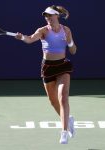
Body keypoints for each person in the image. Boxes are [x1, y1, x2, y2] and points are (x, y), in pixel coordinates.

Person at [15, 5, 77, 144]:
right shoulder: (43, 30)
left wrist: (70, 42)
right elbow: (30, 39)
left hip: (62, 66)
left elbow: (73, 51)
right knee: (53, 101)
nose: (47, 18)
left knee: (63, 98)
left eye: (50, 15)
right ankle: (69, 119)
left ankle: (64, 132)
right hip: (47, 67)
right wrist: (22, 37)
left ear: (57, 16)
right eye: (46, 16)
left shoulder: (66, 30)